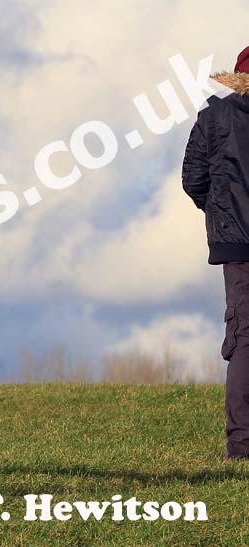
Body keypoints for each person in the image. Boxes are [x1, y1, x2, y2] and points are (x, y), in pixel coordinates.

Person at [182, 45, 249, 462]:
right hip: (236, 236)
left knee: (245, 339)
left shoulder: (213, 116)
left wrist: (221, 210)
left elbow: (194, 179)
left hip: (237, 242)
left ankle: (241, 449)